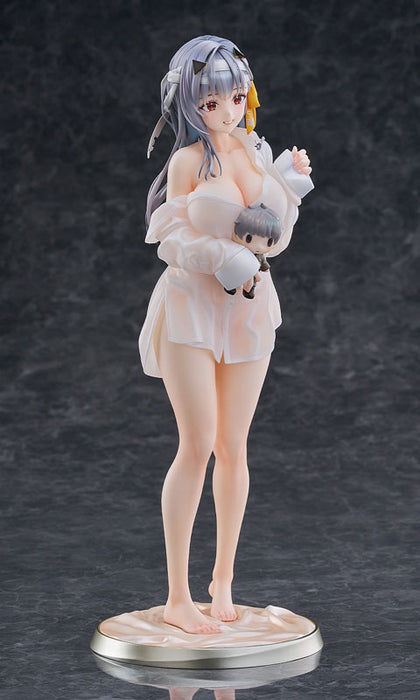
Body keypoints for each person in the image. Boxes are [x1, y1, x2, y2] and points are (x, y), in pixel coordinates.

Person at [138, 35, 313, 635]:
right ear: (190, 103)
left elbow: (274, 236)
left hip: (248, 308)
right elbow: (169, 237)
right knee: (196, 444)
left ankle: (223, 582)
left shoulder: (254, 151)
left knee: (234, 446)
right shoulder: (188, 161)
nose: (227, 110)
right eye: (211, 102)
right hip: (192, 306)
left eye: (236, 97)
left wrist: (288, 187)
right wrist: (221, 257)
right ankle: (176, 595)